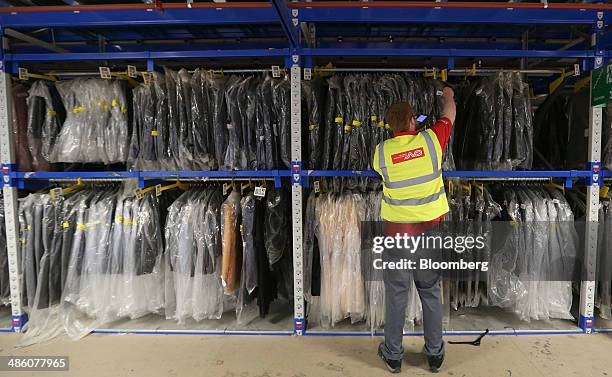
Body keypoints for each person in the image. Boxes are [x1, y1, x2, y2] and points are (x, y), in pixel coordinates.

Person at [372, 87, 456, 374]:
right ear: (412, 121)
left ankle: (393, 355)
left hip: (396, 232)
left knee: (396, 292)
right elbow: (449, 116)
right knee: (429, 290)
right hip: (428, 230)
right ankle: (434, 354)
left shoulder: (381, 153)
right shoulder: (432, 141)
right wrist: (447, 96)